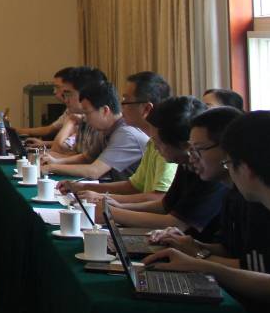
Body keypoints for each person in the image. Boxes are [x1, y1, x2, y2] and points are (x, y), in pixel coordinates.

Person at [145, 113, 270, 312]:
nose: (192, 158)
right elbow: (230, 248)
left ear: (246, 168)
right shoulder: (233, 196)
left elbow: (256, 269)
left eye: (199, 149)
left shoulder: (257, 206)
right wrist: (192, 245)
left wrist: (199, 259)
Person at [99, 97, 227, 237]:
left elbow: (177, 223)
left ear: (183, 145)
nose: (154, 147)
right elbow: (165, 205)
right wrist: (120, 206)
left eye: (157, 142)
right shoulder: (185, 164)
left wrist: (112, 213)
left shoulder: (209, 172)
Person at [58, 71, 176, 203]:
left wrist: (104, 198)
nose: (120, 106)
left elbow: (160, 197)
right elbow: (133, 186)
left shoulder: (167, 145)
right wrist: (82, 187)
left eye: (126, 100)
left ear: (146, 109)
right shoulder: (152, 142)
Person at [42, 81, 148, 180]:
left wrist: (51, 167)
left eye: (87, 113)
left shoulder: (126, 134)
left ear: (105, 110)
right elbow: (87, 158)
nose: (85, 119)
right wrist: (56, 161)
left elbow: (94, 171)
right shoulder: (105, 129)